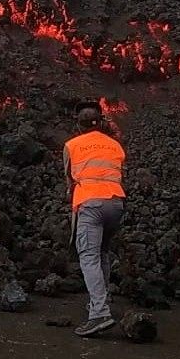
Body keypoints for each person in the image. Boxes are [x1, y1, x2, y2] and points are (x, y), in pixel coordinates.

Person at [63, 100, 125, 337]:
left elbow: (70, 181)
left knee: (88, 255)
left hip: (90, 204)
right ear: (100, 123)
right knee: (102, 252)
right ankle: (101, 299)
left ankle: (99, 312)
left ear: (78, 126)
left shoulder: (72, 145)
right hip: (116, 203)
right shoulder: (115, 145)